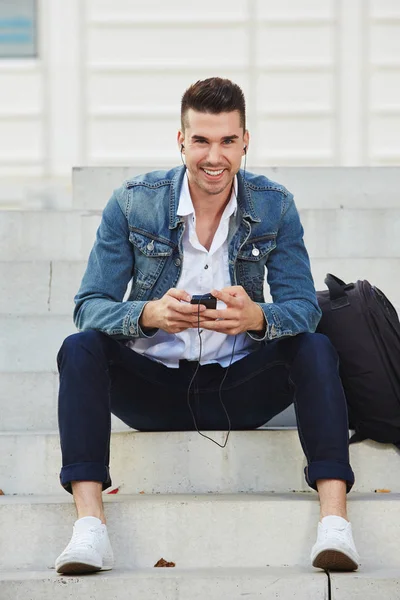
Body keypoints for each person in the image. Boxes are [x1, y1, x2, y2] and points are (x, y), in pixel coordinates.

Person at [55, 77, 360, 574]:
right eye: (200, 140)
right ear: (181, 141)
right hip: (153, 390)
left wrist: (257, 318)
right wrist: (147, 315)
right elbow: (89, 306)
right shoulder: (134, 202)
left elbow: (303, 306)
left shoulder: (274, 205)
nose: (213, 156)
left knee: (315, 347)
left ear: (245, 142)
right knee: (80, 346)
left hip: (236, 387)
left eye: (226, 141)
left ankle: (334, 525)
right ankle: (90, 529)